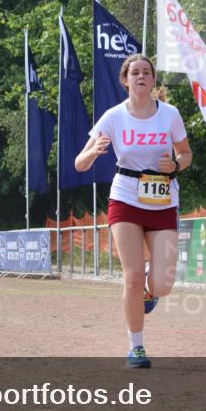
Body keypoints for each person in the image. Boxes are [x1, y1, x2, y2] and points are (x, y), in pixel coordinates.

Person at [75, 54, 192, 368]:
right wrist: (94, 152)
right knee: (133, 275)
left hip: (163, 201)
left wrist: (177, 164)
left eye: (146, 72)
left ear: (153, 80)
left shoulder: (169, 114)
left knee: (163, 283)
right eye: (135, 73)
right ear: (125, 81)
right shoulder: (113, 117)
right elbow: (79, 163)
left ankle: (150, 295)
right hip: (125, 198)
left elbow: (186, 153)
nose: (141, 77)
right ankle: (136, 348)